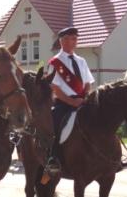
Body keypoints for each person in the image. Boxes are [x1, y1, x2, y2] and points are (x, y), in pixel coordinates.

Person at [46, 27, 95, 174]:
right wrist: (71, 102)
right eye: (69, 38)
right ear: (61, 41)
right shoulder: (55, 62)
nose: (72, 42)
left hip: (83, 101)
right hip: (64, 103)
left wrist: (85, 96)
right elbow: (54, 88)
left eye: (74, 39)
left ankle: (109, 157)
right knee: (56, 124)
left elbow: (88, 83)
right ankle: (53, 158)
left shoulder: (82, 61)